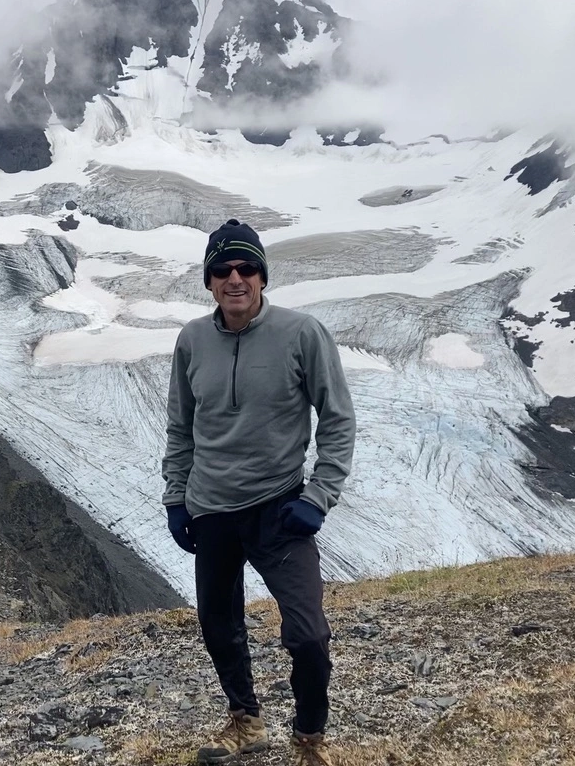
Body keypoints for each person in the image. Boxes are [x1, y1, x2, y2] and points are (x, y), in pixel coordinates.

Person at [162, 219, 356, 766]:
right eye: (222, 270)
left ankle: (309, 740)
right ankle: (246, 720)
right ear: (209, 281)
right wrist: (177, 500)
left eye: (247, 268)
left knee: (308, 635)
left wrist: (318, 497)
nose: (235, 279)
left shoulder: (302, 334)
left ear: (263, 276)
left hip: (279, 510)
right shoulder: (192, 340)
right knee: (219, 626)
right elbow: (181, 427)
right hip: (212, 511)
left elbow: (337, 419)